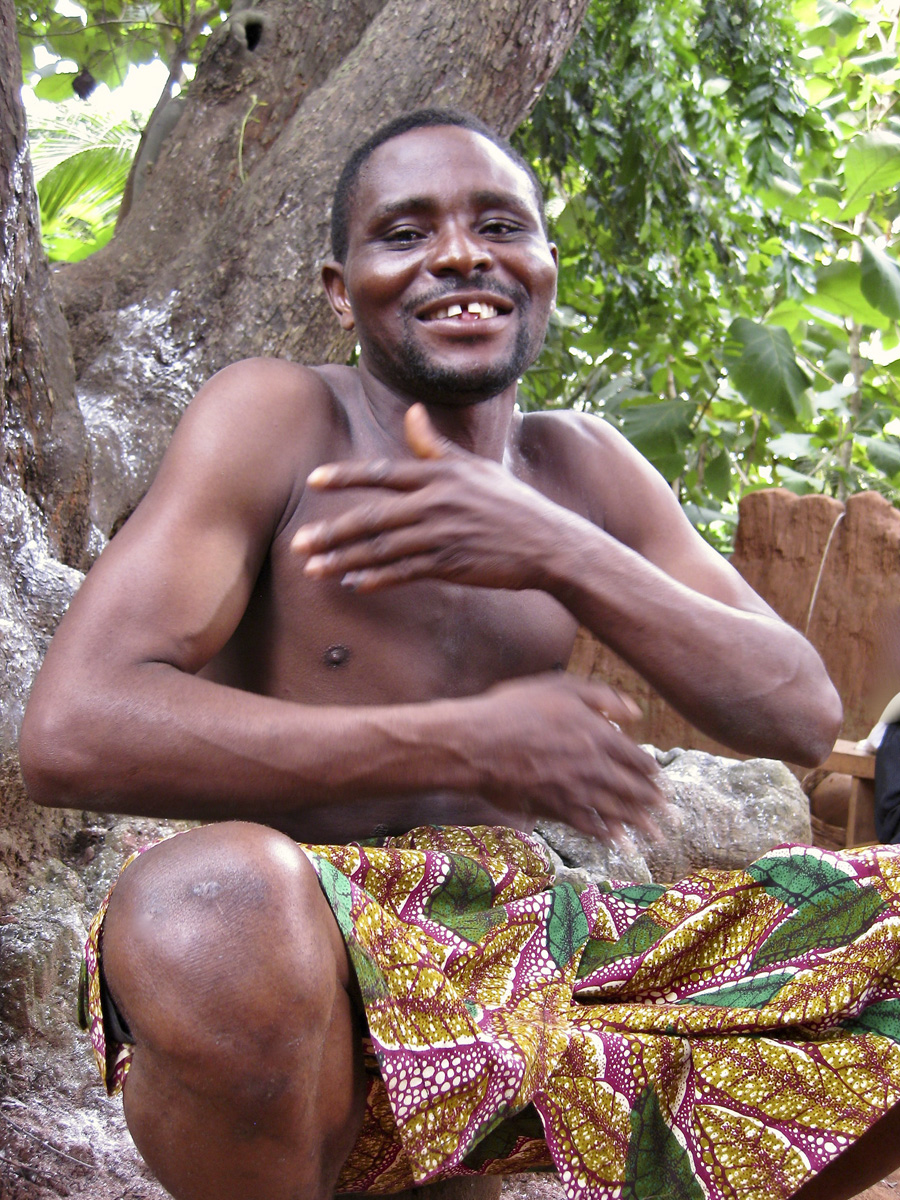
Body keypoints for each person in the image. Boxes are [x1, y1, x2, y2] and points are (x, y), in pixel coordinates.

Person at [19, 109, 900, 1200]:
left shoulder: (582, 466)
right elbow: (70, 731)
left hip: (538, 945)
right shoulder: (280, 421)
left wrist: (555, 545)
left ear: (544, 268)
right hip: (312, 958)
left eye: (498, 224)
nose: (458, 254)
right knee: (201, 906)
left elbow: (802, 714)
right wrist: (457, 742)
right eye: (405, 232)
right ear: (341, 289)